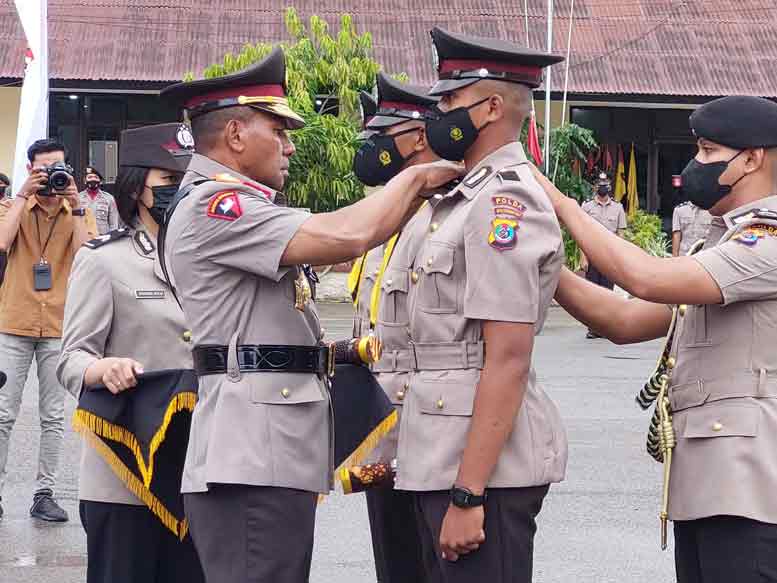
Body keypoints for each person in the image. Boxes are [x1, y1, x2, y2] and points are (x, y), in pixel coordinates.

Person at [159, 47, 463, 583]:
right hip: (251, 456)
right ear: (235, 135)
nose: (291, 146)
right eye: (279, 131)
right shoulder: (218, 207)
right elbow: (346, 234)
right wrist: (414, 181)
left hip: (265, 451)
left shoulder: (231, 204)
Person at [538, 95, 777, 583]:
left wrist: (560, 205)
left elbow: (645, 278)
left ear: (752, 158)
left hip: (754, 494)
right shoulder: (717, 242)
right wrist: (543, 264)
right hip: (708, 487)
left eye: (709, 152)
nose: (695, 165)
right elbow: (623, 320)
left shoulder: (766, 241)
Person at [391, 27, 567, 583]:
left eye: (450, 101)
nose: (437, 113)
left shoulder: (502, 201)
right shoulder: (458, 197)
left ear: (492, 107)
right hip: (438, 454)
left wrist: (469, 492)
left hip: (483, 472)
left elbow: (508, 357)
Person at [57, 124, 204, 583]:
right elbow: (72, 358)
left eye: (190, 182)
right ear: (138, 187)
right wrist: (105, 368)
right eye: (168, 183)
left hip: (196, 470)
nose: (180, 193)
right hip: (125, 474)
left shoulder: (209, 259)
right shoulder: (104, 260)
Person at [351, 72, 442, 583]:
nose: (371, 148)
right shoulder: (388, 213)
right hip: (381, 421)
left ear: (417, 138)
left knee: (431, 560)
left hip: (428, 422)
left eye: (380, 137)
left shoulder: (443, 215)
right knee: (395, 558)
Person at [0, 138, 97, 522]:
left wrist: (74, 204)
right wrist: (23, 195)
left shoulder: (78, 208)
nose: (51, 176)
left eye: (58, 168)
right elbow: (2, 242)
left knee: (54, 416)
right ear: (29, 170)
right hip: (14, 321)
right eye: (43, 169)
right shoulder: (12, 206)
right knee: (3, 414)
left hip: (59, 323)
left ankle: (45, 493)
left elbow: (89, 254)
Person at [579, 174, 627, 337]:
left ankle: (605, 327)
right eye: (601, 184)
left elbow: (620, 234)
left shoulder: (618, 207)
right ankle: (593, 328)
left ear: (610, 186)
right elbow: (582, 233)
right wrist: (583, 257)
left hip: (610, 255)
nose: (603, 187)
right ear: (595, 187)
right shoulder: (587, 207)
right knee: (592, 292)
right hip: (592, 253)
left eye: (606, 184)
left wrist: (620, 257)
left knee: (607, 292)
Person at [78, 167, 121, 235]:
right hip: (84, 238)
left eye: (96, 177)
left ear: (100, 181)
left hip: (102, 239)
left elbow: (114, 224)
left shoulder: (109, 198)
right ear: (85, 181)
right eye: (90, 177)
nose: (93, 179)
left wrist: (112, 239)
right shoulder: (78, 198)